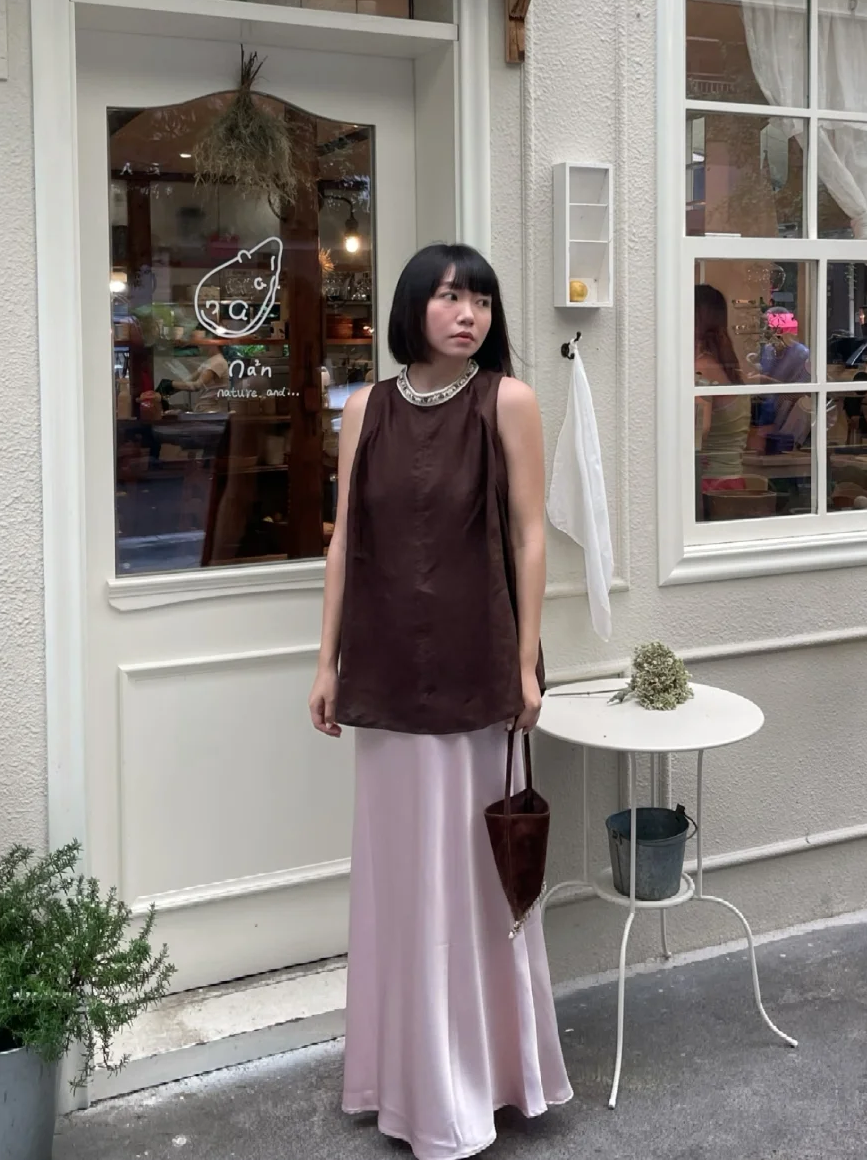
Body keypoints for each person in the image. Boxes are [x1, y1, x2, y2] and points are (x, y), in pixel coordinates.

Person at [308, 243, 571, 1160]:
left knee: (470, 878)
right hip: (386, 674)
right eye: (452, 296)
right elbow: (345, 540)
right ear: (414, 305)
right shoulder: (365, 408)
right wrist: (326, 661)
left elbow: (531, 536)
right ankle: (404, 1078)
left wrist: (526, 663)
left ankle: (484, 1079)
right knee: (402, 879)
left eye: (483, 300)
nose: (469, 314)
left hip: (478, 669)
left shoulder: (509, 401)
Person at [694, 284, 750, 479]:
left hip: (711, 481)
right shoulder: (726, 364)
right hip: (732, 478)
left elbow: (699, 428)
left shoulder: (701, 367)